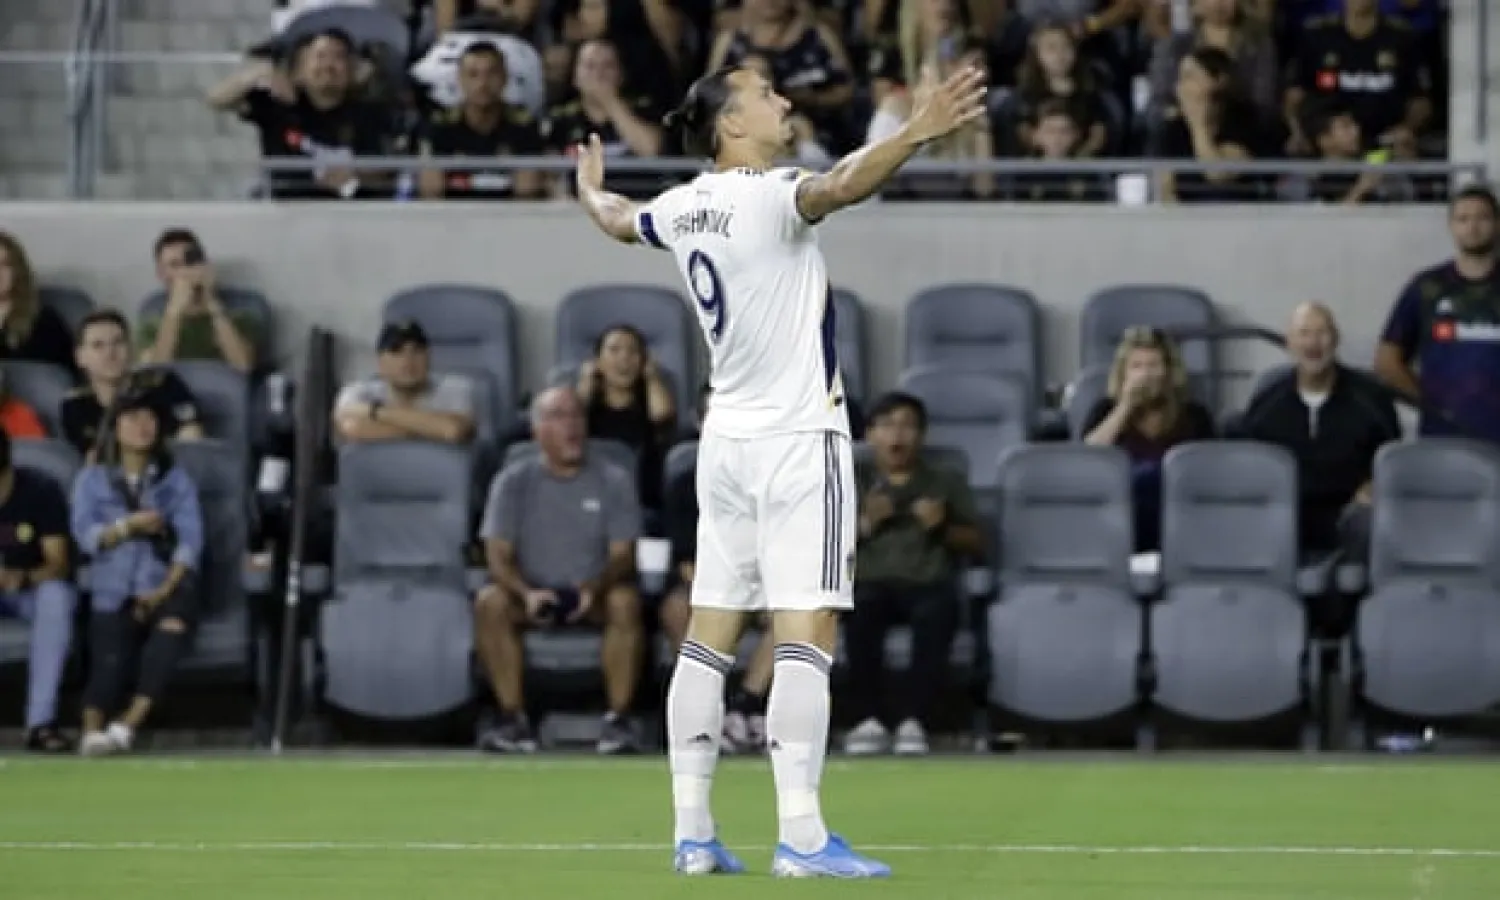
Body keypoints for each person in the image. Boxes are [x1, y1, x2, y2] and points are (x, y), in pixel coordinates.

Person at [574, 58, 986, 878]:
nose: (785, 101)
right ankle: (800, 837)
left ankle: (692, 834)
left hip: (723, 442)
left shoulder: (683, 207)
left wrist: (588, 191)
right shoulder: (770, 194)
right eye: (766, 95)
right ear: (731, 125)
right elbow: (837, 187)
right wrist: (914, 133)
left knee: (709, 636)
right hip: (800, 440)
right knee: (808, 630)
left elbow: (622, 218)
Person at [71, 391, 204, 756]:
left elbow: (190, 544)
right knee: (107, 662)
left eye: (149, 418)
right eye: (131, 419)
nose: (142, 427)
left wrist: (162, 591)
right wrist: (128, 526)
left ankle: (127, 725)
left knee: (172, 626)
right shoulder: (91, 480)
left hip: (163, 582)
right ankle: (91, 732)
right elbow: (86, 539)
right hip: (112, 585)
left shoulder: (176, 481)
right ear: (114, 429)